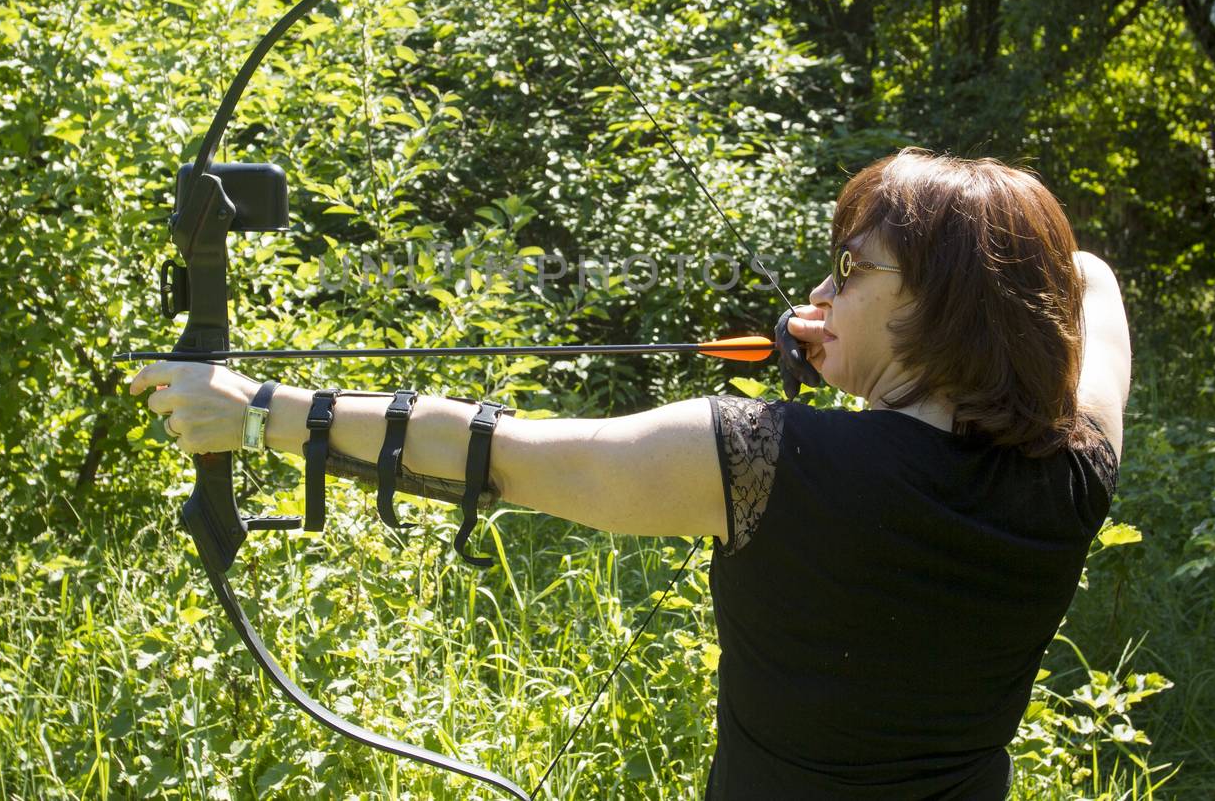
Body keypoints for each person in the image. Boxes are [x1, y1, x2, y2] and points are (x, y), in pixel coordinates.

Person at [128, 147, 1131, 800]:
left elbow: (494, 451)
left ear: (944, 298)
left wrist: (256, 412)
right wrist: (871, 338)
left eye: (849, 268)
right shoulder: (1075, 463)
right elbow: (1084, 274)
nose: (820, 290)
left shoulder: (773, 459)